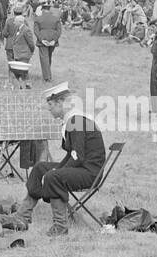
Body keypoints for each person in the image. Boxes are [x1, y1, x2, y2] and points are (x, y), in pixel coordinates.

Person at [18, 83, 106, 236]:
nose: (49, 108)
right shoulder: (72, 120)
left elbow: (77, 157)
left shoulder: (76, 121)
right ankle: (22, 216)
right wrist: (56, 169)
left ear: (60, 103)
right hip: (82, 168)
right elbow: (70, 154)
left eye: (51, 104)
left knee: (54, 177)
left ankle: (60, 227)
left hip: (90, 173)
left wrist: (56, 171)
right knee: (40, 168)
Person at [34, 0, 62, 82]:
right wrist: (54, 40)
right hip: (52, 39)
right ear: (49, 8)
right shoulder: (56, 18)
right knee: (48, 57)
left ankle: (47, 77)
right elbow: (59, 30)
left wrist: (41, 39)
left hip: (43, 39)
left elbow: (36, 31)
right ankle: (47, 74)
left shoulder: (38, 19)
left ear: (42, 8)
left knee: (44, 58)